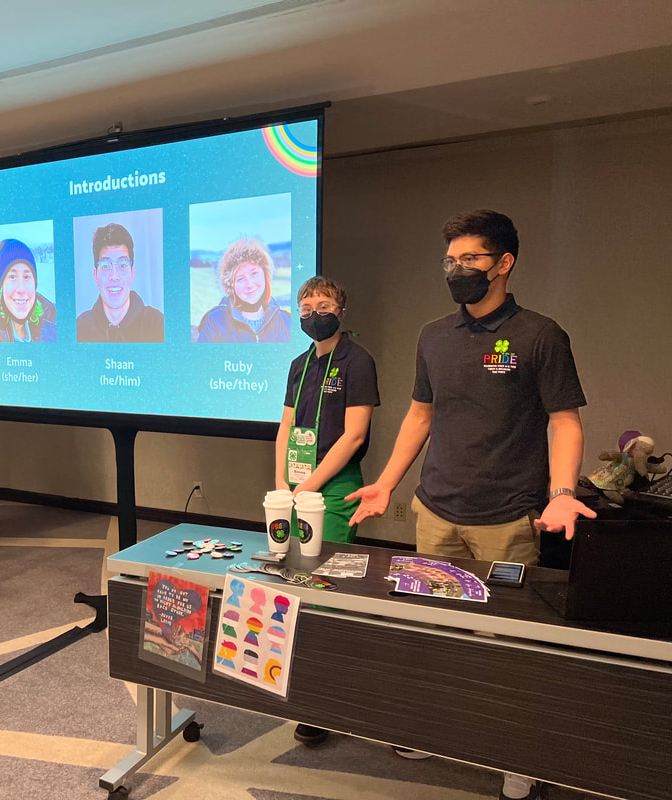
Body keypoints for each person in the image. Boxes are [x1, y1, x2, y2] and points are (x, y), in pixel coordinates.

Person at [348, 209, 595, 800]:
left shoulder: (540, 335)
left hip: (507, 517)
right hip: (435, 510)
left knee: (509, 640)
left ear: (504, 263)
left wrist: (562, 494)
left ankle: (514, 749)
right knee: (432, 624)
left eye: (471, 260)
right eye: (451, 262)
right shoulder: (434, 335)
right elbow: (419, 416)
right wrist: (386, 483)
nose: (458, 271)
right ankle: (433, 723)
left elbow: (564, 422)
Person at [275, 276, 379, 748]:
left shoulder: (358, 362)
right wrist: (282, 482)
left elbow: (354, 435)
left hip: (333, 489)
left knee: (322, 587)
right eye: (305, 304)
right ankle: (297, 681)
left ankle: (324, 702)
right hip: (294, 488)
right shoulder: (298, 364)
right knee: (289, 581)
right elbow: (285, 428)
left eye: (324, 303)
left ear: (341, 310)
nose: (314, 311)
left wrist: (310, 486)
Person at [76, 222, 164, 342]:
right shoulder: (80, 327)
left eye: (122, 265)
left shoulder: (157, 324)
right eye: (105, 266)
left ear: (132, 273)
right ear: (95, 275)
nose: (114, 276)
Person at [196, 238, 291, 342]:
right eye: (240, 279)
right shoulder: (214, 322)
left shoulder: (286, 322)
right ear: (232, 286)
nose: (249, 284)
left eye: (254, 273)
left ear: (265, 275)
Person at [0, 238, 57, 342]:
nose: (21, 289)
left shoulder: (53, 320)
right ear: (1, 286)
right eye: (12, 277)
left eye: (26, 277)